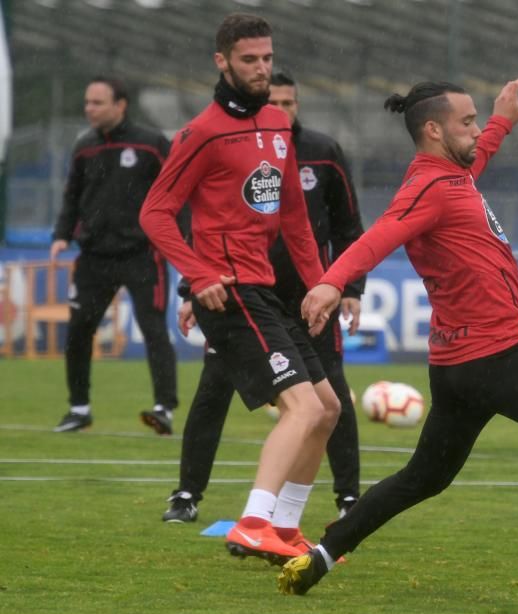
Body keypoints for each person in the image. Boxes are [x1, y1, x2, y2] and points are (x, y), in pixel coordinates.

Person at [276, 78, 518, 614]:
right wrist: (332, 281)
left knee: (425, 477)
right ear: (434, 130)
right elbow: (381, 233)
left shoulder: (452, 176)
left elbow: (476, 155)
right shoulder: (428, 187)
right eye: (468, 121)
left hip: (458, 365)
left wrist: (503, 120)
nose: (477, 128)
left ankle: (323, 554)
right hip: (496, 355)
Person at [140, 13, 339, 563]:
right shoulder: (201, 133)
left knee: (327, 409)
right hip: (228, 294)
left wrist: (321, 285)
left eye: (267, 59)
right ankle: (252, 521)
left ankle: (286, 529)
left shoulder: (278, 123)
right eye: (249, 60)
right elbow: (155, 214)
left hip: (267, 291)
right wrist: (196, 274)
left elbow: (295, 218)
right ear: (222, 62)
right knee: (300, 407)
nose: (261, 69)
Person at [161, 71, 366, 524]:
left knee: (331, 402)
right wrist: (191, 284)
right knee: (218, 393)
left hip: (302, 300)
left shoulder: (320, 152)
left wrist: (340, 286)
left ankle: (332, 504)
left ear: (296, 106)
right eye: (274, 100)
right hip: (239, 295)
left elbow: (339, 225)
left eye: (288, 102)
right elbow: (192, 219)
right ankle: (209, 503)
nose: (280, 110)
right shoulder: (217, 138)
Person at [50, 75, 178, 435]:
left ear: (120, 105)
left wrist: (178, 239)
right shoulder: (84, 147)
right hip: (93, 257)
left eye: (97, 102)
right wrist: (61, 235)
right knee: (78, 331)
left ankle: (163, 408)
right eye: (87, 102)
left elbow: (175, 193)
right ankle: (79, 408)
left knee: (154, 330)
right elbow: (72, 196)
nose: (89, 108)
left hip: (142, 255)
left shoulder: (151, 144)